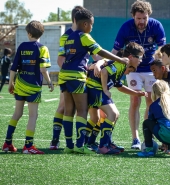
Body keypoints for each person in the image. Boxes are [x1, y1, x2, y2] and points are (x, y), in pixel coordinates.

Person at [58, 9, 129, 154]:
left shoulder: (67, 37)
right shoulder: (85, 36)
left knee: (69, 110)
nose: (92, 27)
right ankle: (80, 145)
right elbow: (100, 51)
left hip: (63, 76)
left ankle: (69, 145)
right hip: (77, 76)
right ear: (85, 24)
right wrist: (119, 59)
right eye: (91, 24)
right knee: (82, 110)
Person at [112, 0, 166, 149]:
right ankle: (135, 138)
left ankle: (148, 135)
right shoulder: (126, 27)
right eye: (138, 18)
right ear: (133, 16)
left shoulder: (156, 26)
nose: (141, 21)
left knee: (151, 101)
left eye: (144, 18)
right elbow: (115, 52)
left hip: (150, 69)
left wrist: (160, 64)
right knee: (135, 100)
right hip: (133, 69)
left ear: (149, 16)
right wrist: (107, 65)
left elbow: (161, 49)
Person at [2, 20, 54, 154]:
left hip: (20, 84)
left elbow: (14, 68)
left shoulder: (22, 46)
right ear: (41, 33)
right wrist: (49, 82)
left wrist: (11, 83)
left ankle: (7, 143)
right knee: (33, 115)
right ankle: (28, 146)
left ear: (29, 33)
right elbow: (43, 69)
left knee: (17, 113)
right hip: (33, 86)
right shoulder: (43, 48)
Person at [86, 42, 147, 154]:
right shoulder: (124, 62)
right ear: (130, 57)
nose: (141, 60)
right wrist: (105, 89)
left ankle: (95, 142)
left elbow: (119, 86)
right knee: (113, 114)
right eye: (140, 57)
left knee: (108, 116)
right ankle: (104, 146)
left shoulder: (123, 66)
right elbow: (104, 71)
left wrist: (136, 93)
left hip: (94, 88)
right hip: (95, 88)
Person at [50, 5, 84, 150]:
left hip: (79, 76)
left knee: (77, 108)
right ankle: (55, 140)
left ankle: (78, 142)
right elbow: (60, 59)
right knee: (64, 106)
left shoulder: (84, 34)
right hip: (70, 76)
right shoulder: (67, 36)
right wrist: (69, 72)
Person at [137, 80, 170, 157]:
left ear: (154, 92)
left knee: (146, 123)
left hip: (168, 135)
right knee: (167, 126)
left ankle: (149, 150)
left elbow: (151, 122)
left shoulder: (153, 105)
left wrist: (149, 138)